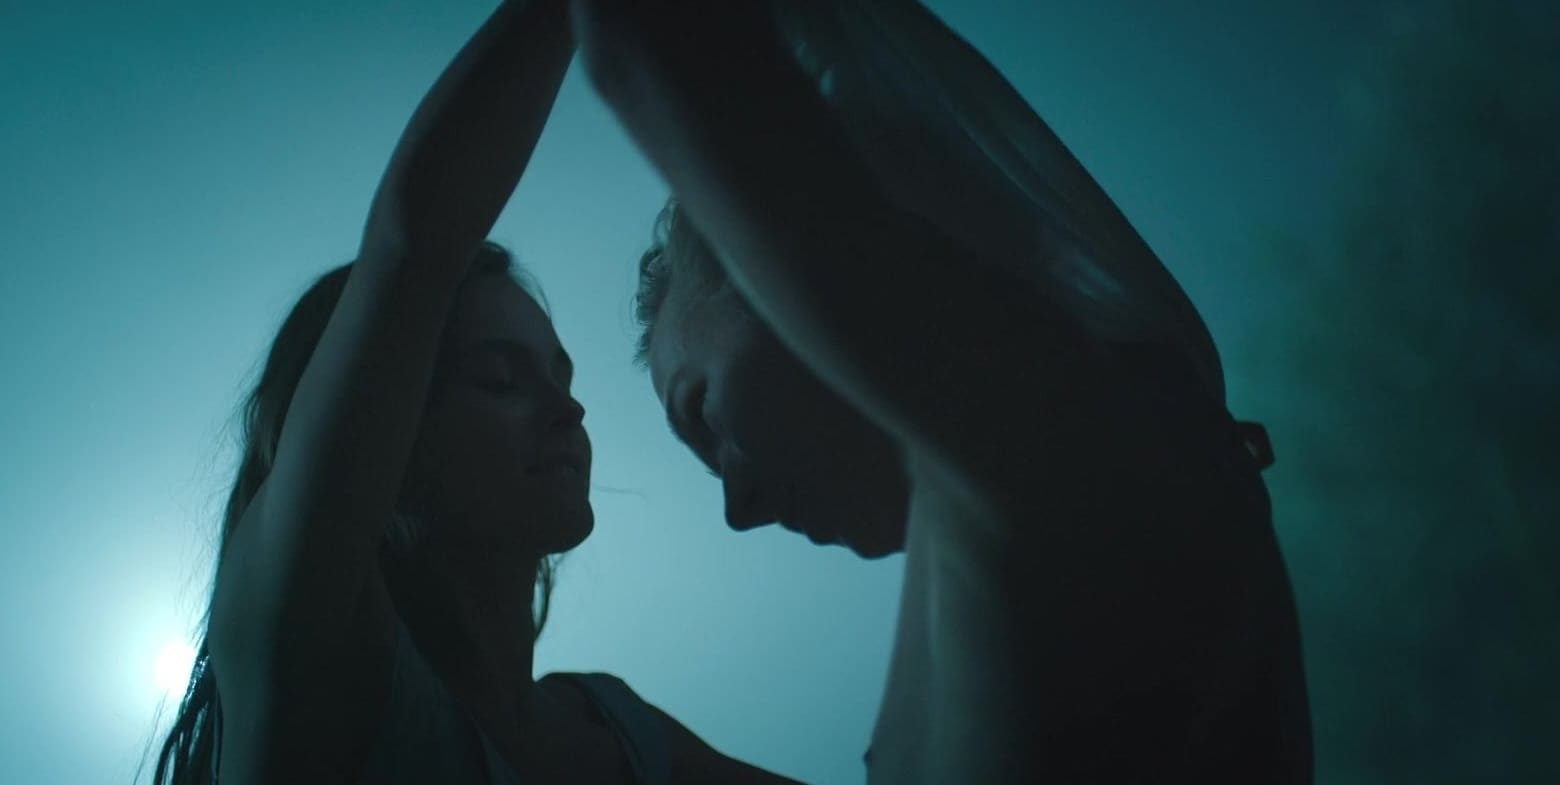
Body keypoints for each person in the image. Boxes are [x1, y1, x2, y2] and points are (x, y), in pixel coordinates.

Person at [573, 0, 1313, 782]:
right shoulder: (1055, 466)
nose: (739, 508)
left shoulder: (1046, 425)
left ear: (787, 269)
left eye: (704, 414)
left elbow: (639, 40)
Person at [151, 3, 803, 784]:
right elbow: (414, 245)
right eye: (500, 380)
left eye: (562, 375)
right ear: (392, 435)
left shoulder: (620, 728)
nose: (569, 410)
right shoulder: (314, 654)